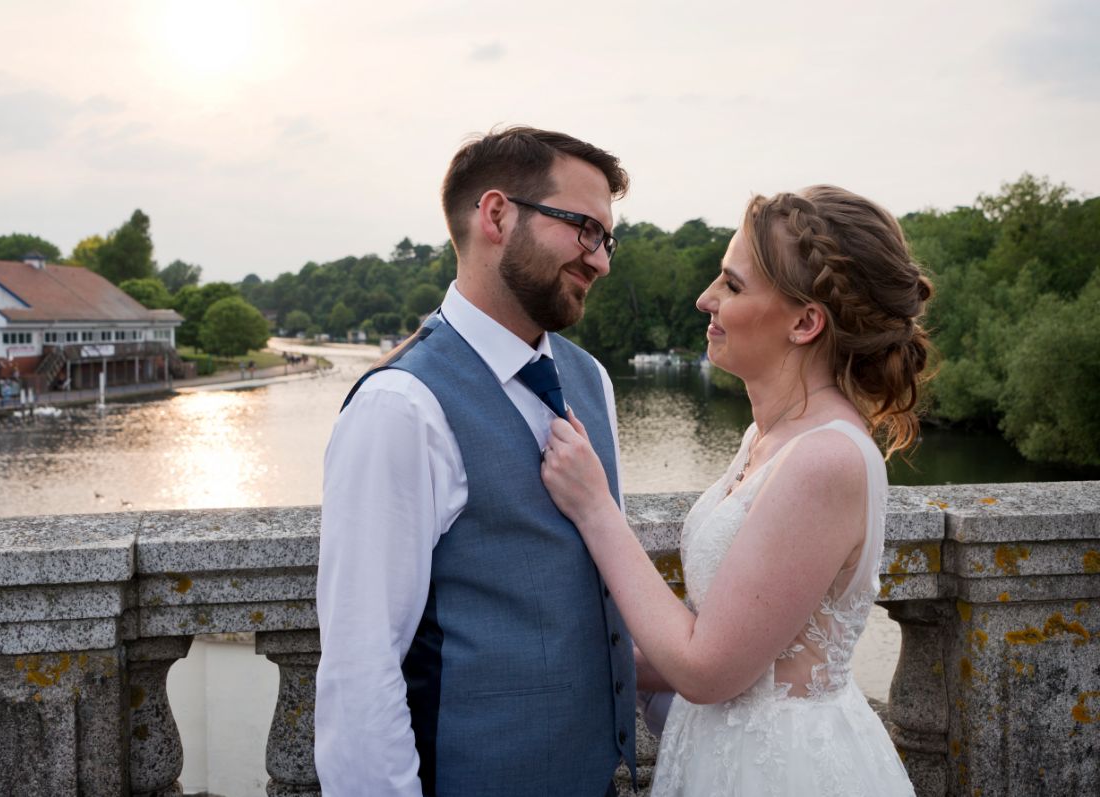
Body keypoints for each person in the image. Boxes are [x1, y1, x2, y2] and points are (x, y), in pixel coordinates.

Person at [540, 185, 931, 796]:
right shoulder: (764, 436)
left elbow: (706, 668)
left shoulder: (826, 458)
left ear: (805, 323)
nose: (705, 299)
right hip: (721, 754)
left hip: (785, 771)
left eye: (733, 285)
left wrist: (595, 508)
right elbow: (736, 631)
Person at [315, 126, 637, 796]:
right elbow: (360, 670)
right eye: (583, 228)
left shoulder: (593, 383)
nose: (600, 259)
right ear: (496, 214)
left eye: (607, 238)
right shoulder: (400, 406)